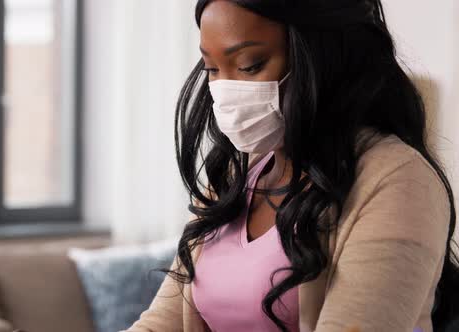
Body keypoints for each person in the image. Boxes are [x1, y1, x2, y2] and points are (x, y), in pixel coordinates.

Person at [125, 1, 459, 331]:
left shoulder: (398, 182)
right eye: (211, 68)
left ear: (322, 54)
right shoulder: (232, 178)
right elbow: (161, 323)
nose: (224, 91)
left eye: (250, 65)